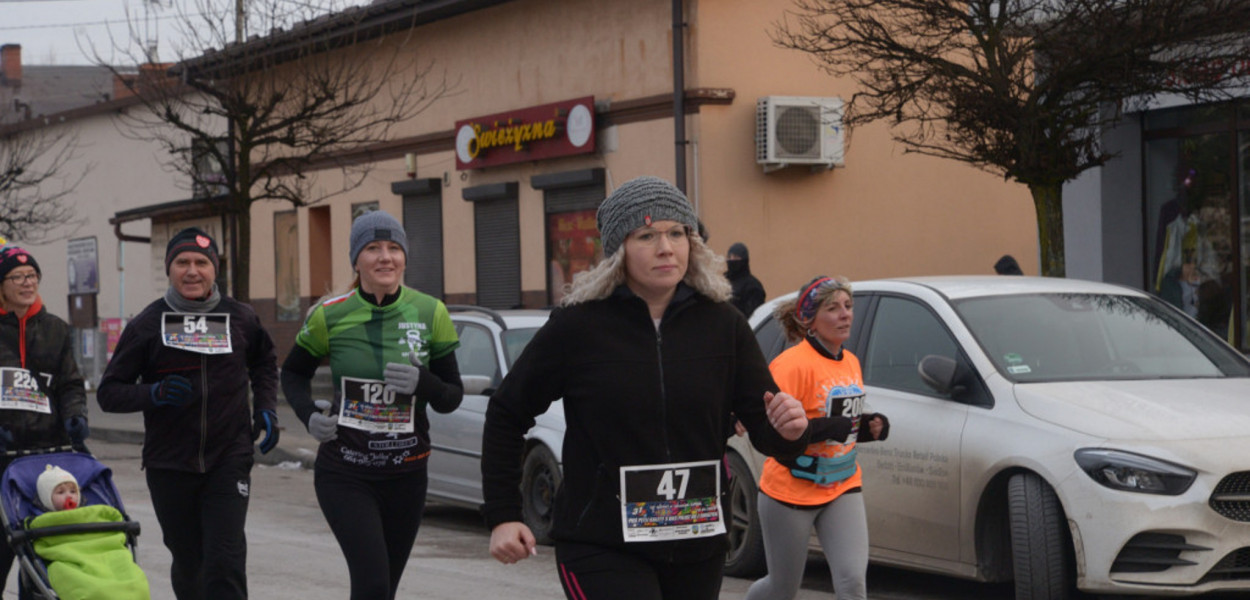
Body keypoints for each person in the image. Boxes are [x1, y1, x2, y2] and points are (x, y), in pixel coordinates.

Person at [481, 175, 811, 600]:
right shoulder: (579, 326)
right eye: (647, 235)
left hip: (696, 539)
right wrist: (503, 515)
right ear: (619, 250)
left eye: (677, 233)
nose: (665, 247)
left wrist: (792, 432)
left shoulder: (723, 325)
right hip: (602, 542)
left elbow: (767, 430)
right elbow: (507, 412)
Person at [280, 209, 464, 600]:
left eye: (394, 248)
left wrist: (423, 382)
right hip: (347, 472)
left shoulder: (432, 313)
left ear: (405, 258)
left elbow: (451, 397)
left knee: (383, 590)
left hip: (407, 475)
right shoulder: (330, 316)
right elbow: (292, 374)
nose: (386, 257)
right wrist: (309, 416)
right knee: (373, 583)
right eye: (373, 248)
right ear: (356, 260)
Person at [98, 227, 279, 600]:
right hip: (170, 464)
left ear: (215, 270)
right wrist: (155, 393)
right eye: (182, 262)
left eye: (201, 262)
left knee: (225, 561)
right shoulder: (148, 324)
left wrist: (265, 407)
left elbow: (265, 361)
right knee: (190, 562)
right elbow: (109, 393)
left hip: (228, 457)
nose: (192, 271)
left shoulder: (240, 318)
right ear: (170, 269)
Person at [745, 276, 890, 600]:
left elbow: (843, 426)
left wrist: (870, 427)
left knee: (853, 583)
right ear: (809, 319)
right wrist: (830, 426)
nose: (845, 315)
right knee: (782, 589)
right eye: (833, 308)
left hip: (843, 484)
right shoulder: (791, 365)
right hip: (790, 491)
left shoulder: (850, 361)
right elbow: (776, 436)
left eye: (848, 307)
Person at [0, 244, 88, 596]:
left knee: (42, 556)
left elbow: (69, 384)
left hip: (46, 457)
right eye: (18, 277)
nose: (27, 282)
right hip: (3, 456)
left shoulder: (55, 329)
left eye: (32, 276)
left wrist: (75, 416)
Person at [29, 465, 151, 600]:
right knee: (82, 582)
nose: (69, 496)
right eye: (60, 492)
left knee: (132, 579)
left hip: (106, 551)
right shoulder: (43, 523)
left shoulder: (92, 514)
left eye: (73, 491)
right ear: (47, 499)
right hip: (68, 557)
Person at [727, 241, 766, 317]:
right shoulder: (724, 282)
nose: (731, 260)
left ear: (744, 260)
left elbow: (754, 315)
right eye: (729, 257)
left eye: (735, 257)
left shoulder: (753, 286)